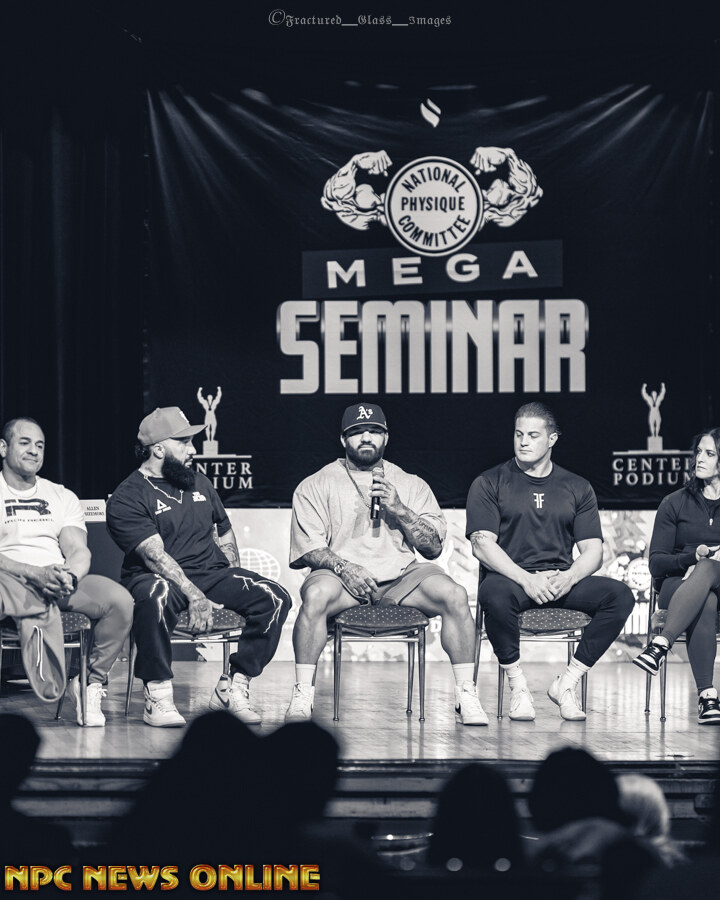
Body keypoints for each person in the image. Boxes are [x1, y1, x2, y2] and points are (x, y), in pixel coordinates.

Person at [285, 402, 488, 725]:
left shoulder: (411, 483)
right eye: (357, 432)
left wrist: (400, 509)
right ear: (343, 439)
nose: (366, 437)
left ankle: (466, 694)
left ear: (386, 437)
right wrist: (345, 568)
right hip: (342, 577)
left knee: (455, 595)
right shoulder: (316, 484)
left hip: (402, 576)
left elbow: (433, 548)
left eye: (374, 431)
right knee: (316, 595)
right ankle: (303, 693)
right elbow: (310, 548)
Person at [106, 407, 291, 727]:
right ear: (158, 449)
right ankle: (157, 694)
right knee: (157, 595)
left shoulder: (199, 482)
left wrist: (234, 575)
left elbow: (224, 529)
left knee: (275, 597)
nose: (192, 449)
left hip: (211, 574)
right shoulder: (127, 496)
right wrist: (195, 595)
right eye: (184, 442)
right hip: (156, 576)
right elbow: (155, 558)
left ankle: (233, 685)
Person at [466, 402, 634, 721]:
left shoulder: (577, 486)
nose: (523, 442)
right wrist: (526, 579)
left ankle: (567, 683)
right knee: (493, 593)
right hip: (513, 581)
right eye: (518, 434)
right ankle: (518, 687)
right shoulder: (489, 482)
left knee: (620, 595)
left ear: (552, 439)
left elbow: (593, 550)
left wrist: (569, 577)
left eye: (533, 435)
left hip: (559, 582)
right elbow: (482, 545)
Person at [0, 417, 133, 725]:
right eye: (25, 443)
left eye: (40, 445)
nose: (34, 451)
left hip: (55, 581)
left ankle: (88, 683)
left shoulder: (61, 495)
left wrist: (69, 576)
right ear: (3, 447)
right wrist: (31, 573)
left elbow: (78, 549)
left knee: (119, 601)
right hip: (7, 580)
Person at [633, 427, 720, 724]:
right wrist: (691, 559)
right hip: (677, 586)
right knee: (705, 598)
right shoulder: (674, 502)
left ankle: (660, 645)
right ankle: (708, 697)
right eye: (698, 452)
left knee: (708, 568)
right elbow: (656, 564)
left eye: (710, 453)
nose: (700, 459)